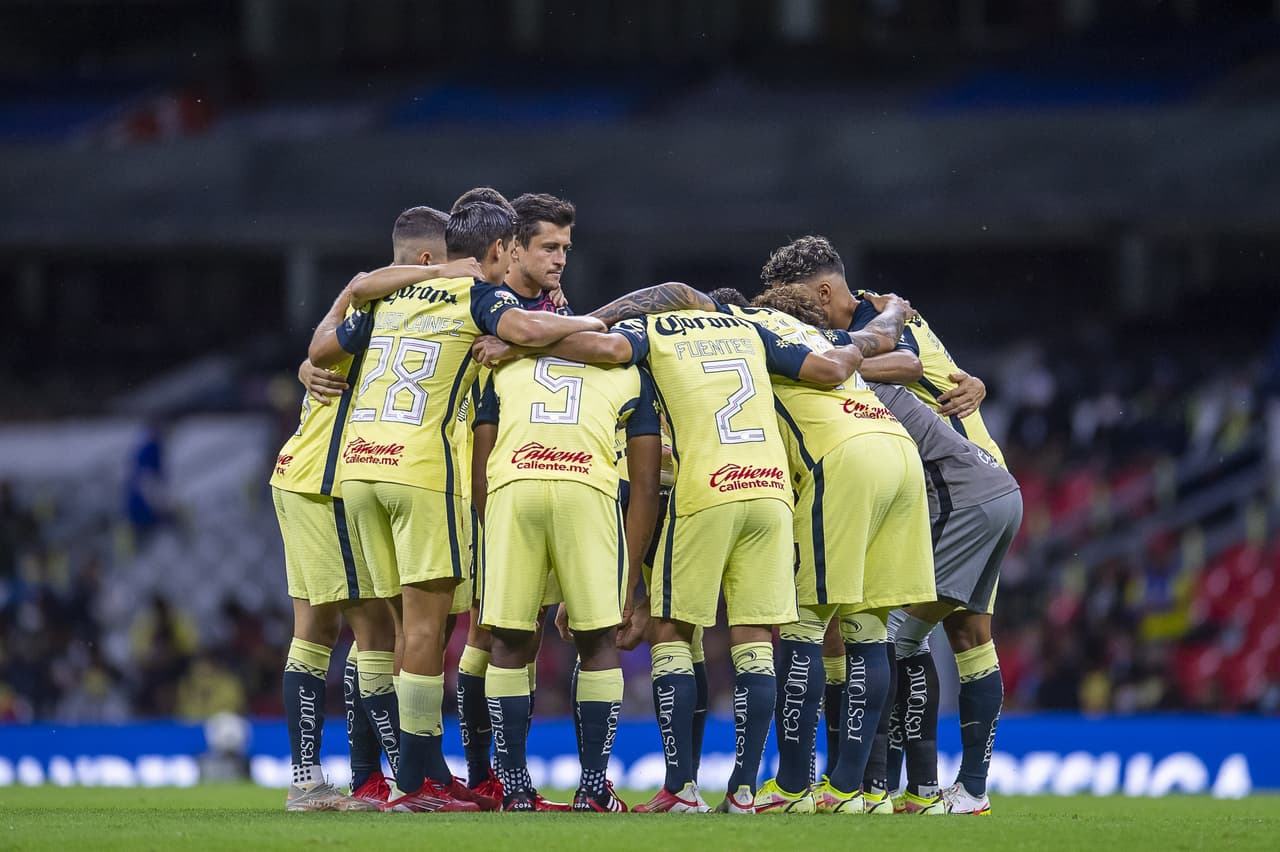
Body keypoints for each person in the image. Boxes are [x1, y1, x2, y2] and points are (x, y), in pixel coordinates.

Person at [476, 301, 866, 813]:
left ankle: (679, 787)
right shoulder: (749, 329)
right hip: (771, 489)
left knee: (670, 629)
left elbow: (607, 347)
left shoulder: (652, 327)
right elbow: (828, 366)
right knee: (754, 638)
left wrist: (519, 341)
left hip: (703, 485)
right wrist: (867, 341)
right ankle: (744, 791)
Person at [313, 201, 605, 813]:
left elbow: (319, 352)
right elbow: (525, 329)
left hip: (360, 468)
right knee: (427, 628)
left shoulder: (386, 298)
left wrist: (347, 302)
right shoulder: (482, 297)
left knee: (394, 630)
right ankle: (416, 785)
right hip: (423, 472)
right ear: (500, 250)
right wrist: (577, 328)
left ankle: (404, 777)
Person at [775, 283, 1022, 816]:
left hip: (948, 486)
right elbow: (935, 372)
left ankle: (875, 786)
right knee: (965, 632)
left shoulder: (861, 325)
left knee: (882, 631)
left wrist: (830, 362)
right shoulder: (896, 315)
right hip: (987, 471)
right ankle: (955, 790)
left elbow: (904, 366)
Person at [714, 285, 935, 815]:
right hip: (898, 453)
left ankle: (792, 788)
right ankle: (850, 790)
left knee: (803, 626)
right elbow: (893, 351)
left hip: (839, 460)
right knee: (868, 629)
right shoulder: (822, 338)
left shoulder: (747, 336)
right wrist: (895, 311)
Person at [471, 338, 661, 811]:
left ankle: (513, 788)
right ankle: (594, 789)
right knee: (597, 640)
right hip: (587, 491)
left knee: (509, 640)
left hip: (513, 489)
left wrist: (496, 535)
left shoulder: (506, 365)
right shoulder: (629, 369)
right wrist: (629, 581)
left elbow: (480, 470)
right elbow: (645, 489)